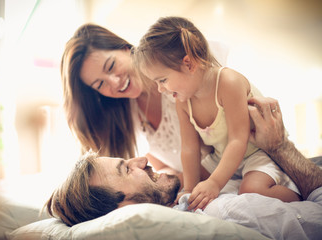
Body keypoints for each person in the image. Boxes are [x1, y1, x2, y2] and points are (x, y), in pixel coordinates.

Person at [46, 96, 322, 239]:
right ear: (125, 208)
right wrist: (280, 146)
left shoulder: (190, 200)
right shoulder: (225, 212)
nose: (143, 160)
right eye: (127, 169)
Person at [132, 16, 300, 210]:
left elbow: (238, 139)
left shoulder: (228, 82)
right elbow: (189, 148)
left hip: (256, 152)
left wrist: (215, 183)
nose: (160, 89)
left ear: (189, 64)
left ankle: (298, 195)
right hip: (221, 156)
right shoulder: (183, 101)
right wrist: (189, 188)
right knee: (186, 187)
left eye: (162, 80)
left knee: (252, 190)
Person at [60, 23, 227, 184]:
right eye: (100, 84)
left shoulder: (185, 72)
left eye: (111, 66)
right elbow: (164, 163)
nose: (114, 82)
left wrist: (183, 182)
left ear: (125, 49)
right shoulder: (127, 116)